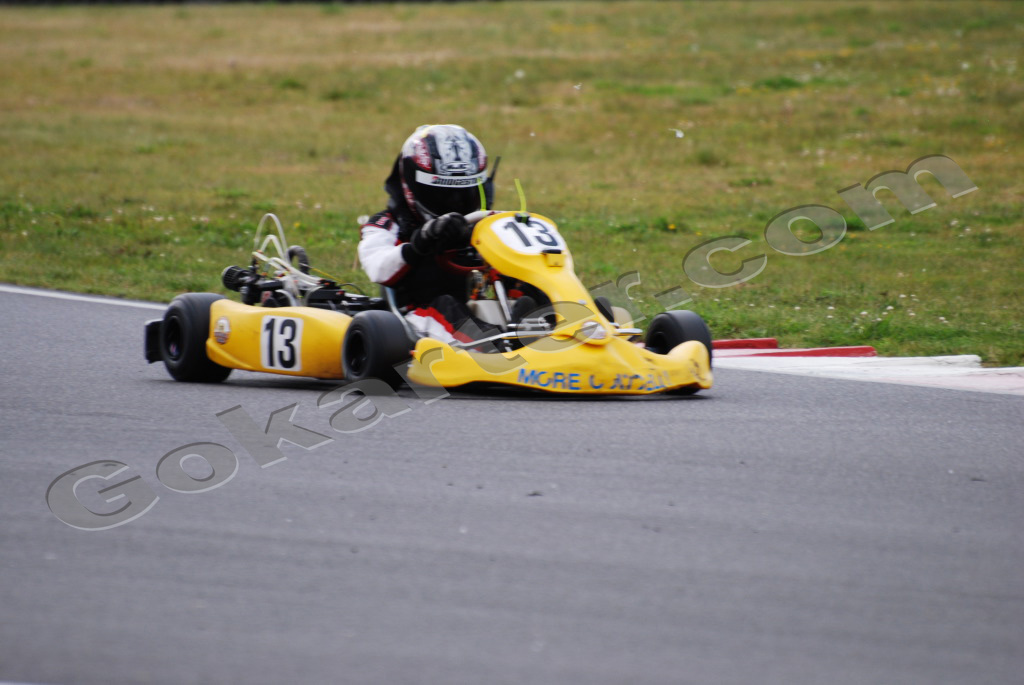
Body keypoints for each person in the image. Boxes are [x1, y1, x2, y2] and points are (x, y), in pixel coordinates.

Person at [357, 124, 497, 344]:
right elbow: (378, 268)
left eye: (464, 194)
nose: (455, 204)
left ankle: (542, 331)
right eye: (443, 195)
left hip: (472, 313)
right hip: (415, 319)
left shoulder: (482, 224)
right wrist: (420, 242)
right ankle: (498, 351)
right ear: (410, 184)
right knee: (446, 306)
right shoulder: (387, 224)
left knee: (527, 290)